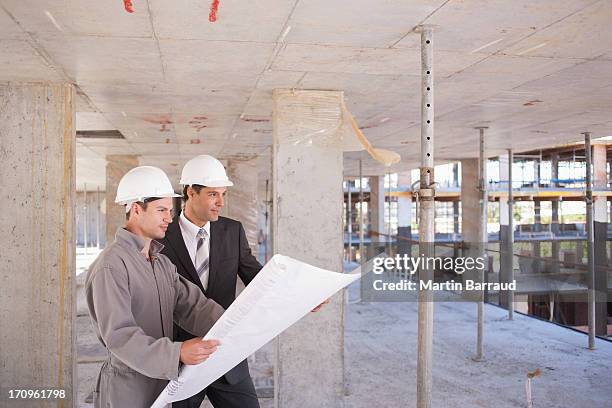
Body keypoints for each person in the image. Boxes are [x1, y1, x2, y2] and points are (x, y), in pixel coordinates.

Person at [85, 165, 225, 408]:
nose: (169, 219)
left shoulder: (160, 263)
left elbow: (195, 307)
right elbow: (119, 336)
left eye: (170, 211)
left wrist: (240, 324)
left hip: (161, 383)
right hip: (128, 389)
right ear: (136, 209)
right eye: (161, 210)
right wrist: (177, 353)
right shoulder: (111, 265)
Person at [160, 155, 262, 408]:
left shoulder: (232, 231)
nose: (220, 203)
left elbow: (258, 278)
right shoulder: (160, 235)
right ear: (190, 192)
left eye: (223, 195)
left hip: (225, 354)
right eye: (213, 194)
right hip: (181, 355)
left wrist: (300, 297)